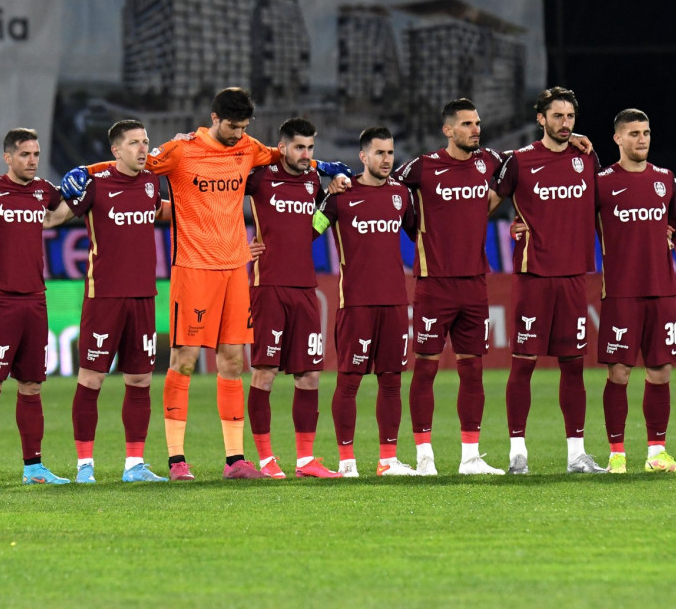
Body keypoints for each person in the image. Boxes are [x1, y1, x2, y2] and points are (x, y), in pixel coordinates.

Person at [61, 87, 350, 480]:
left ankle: (235, 460)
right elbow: (135, 162)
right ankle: (177, 460)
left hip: (235, 270)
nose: (238, 133)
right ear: (215, 118)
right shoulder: (180, 152)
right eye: (233, 126)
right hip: (193, 268)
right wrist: (87, 171)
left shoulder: (247, 147)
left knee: (232, 360)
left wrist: (329, 165)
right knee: (184, 359)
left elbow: (287, 156)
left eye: (244, 126)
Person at [45, 120, 170, 483]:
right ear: (116, 151)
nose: (143, 149)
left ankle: (135, 465)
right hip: (104, 298)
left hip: (144, 296)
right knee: (91, 380)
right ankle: (85, 466)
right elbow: (54, 219)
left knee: (141, 381)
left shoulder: (150, 183)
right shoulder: (95, 186)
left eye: (145, 142)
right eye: (134, 143)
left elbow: (163, 210)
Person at [493, 87, 606, 474]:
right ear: (540, 119)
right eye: (557, 116)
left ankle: (577, 455)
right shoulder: (519, 161)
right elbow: (485, 206)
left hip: (574, 276)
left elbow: (601, 210)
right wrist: (511, 227)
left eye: (570, 117)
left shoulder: (586, 158)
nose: (565, 123)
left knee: (574, 365)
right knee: (523, 364)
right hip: (534, 276)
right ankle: (517, 453)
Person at [393, 99, 506, 476]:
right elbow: (386, 191)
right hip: (433, 285)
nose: (475, 129)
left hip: (475, 283)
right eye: (467, 124)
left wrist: (576, 140)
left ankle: (470, 457)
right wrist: (414, 229)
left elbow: (528, 168)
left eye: (477, 122)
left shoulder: (488, 161)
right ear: (448, 130)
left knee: (472, 371)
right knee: (425, 369)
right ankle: (425, 456)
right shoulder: (422, 168)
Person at [0, 129, 70, 487]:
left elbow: (61, 208)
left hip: (36, 299)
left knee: (32, 386)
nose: (32, 160)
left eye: (36, 154)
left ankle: (33, 468)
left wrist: (82, 198)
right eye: (25, 155)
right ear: (8, 158)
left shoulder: (43, 192)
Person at [595, 109, 676, 473]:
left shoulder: (665, 179)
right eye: (634, 133)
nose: (642, 139)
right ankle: (617, 454)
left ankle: (657, 454)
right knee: (619, 374)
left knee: (661, 373)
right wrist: (523, 224)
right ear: (618, 139)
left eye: (646, 132)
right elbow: (569, 217)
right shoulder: (602, 182)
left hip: (660, 292)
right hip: (621, 293)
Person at [315, 126, 418, 477]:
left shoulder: (401, 195)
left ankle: (388, 460)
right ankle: (346, 462)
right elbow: (306, 231)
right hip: (356, 303)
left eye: (390, 153)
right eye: (379, 153)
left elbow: (424, 233)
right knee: (349, 382)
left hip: (394, 302)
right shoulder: (341, 196)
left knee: (391, 382)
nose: (386, 160)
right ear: (363, 157)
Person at [244, 117, 340, 479]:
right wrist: (239, 244)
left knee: (310, 375)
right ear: (282, 147)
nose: (306, 154)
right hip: (268, 286)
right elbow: (219, 202)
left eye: (311, 148)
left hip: (305, 288)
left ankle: (305, 461)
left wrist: (323, 216)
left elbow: (310, 226)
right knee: (265, 373)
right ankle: (267, 460)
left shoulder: (314, 181)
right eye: (299, 147)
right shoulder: (259, 177)